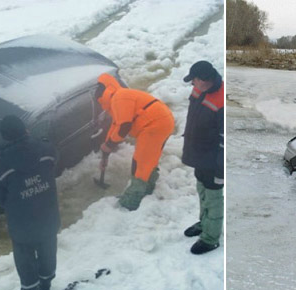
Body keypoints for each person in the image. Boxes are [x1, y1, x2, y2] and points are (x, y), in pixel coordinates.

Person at [0, 115, 60, 290]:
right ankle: (46, 286)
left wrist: (14, 203)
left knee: (24, 256)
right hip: (48, 213)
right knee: (48, 249)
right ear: (26, 130)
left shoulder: (1, 163)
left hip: (21, 221)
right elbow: (53, 163)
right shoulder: (46, 149)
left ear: (5, 137)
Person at [96, 73, 175, 211]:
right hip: (162, 120)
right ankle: (148, 188)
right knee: (150, 159)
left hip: (154, 124)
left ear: (105, 92)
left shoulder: (119, 98)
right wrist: (106, 148)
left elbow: (124, 127)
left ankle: (132, 200)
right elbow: (116, 126)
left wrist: (109, 146)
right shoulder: (117, 100)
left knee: (140, 164)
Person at [180, 61, 224, 255]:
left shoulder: (221, 101)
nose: (192, 85)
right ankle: (204, 222)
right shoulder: (200, 91)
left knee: (213, 196)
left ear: (203, 80)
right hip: (199, 154)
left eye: (193, 81)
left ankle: (211, 238)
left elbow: (224, 142)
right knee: (201, 189)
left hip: (214, 161)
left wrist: (220, 171)